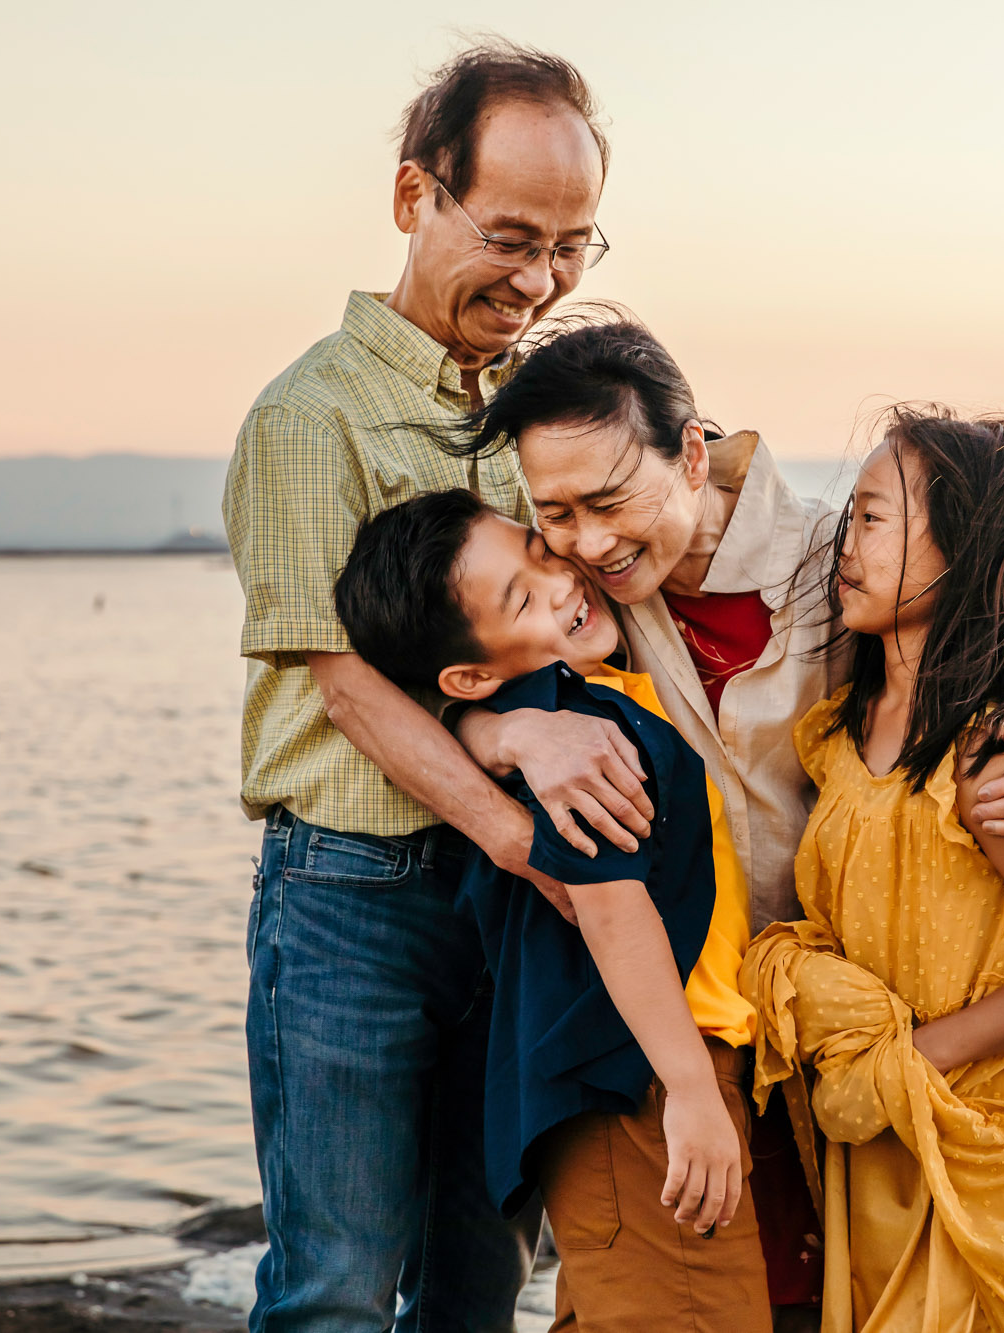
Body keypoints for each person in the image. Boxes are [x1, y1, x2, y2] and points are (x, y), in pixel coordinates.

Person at [442, 318, 1004, 1319]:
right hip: (671, 1018)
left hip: (831, 1041)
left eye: (609, 502)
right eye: (556, 513)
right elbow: (469, 667)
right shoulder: (574, 588)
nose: (584, 542)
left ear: (692, 453)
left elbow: (962, 690)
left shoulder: (834, 567)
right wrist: (499, 731)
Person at [220, 43, 658, 1332]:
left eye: (572, 246)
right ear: (415, 195)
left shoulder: (537, 412)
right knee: (336, 1288)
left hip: (506, 916)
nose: (538, 279)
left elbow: (655, 561)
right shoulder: (311, 417)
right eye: (511, 235)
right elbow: (344, 686)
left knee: (480, 1283)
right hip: (353, 895)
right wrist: (531, 847)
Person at [331, 489, 771, 1332]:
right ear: (469, 673)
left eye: (539, 551)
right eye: (522, 598)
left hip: (659, 1069)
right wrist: (688, 1088)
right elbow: (611, 911)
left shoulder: (585, 698)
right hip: (644, 1079)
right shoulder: (573, 736)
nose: (562, 582)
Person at [741, 408, 1004, 1333]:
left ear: (965, 548)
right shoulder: (834, 736)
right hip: (873, 1133)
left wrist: (910, 1064)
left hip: (975, 1134)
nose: (846, 540)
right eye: (852, 513)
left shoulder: (989, 765)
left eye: (876, 518)